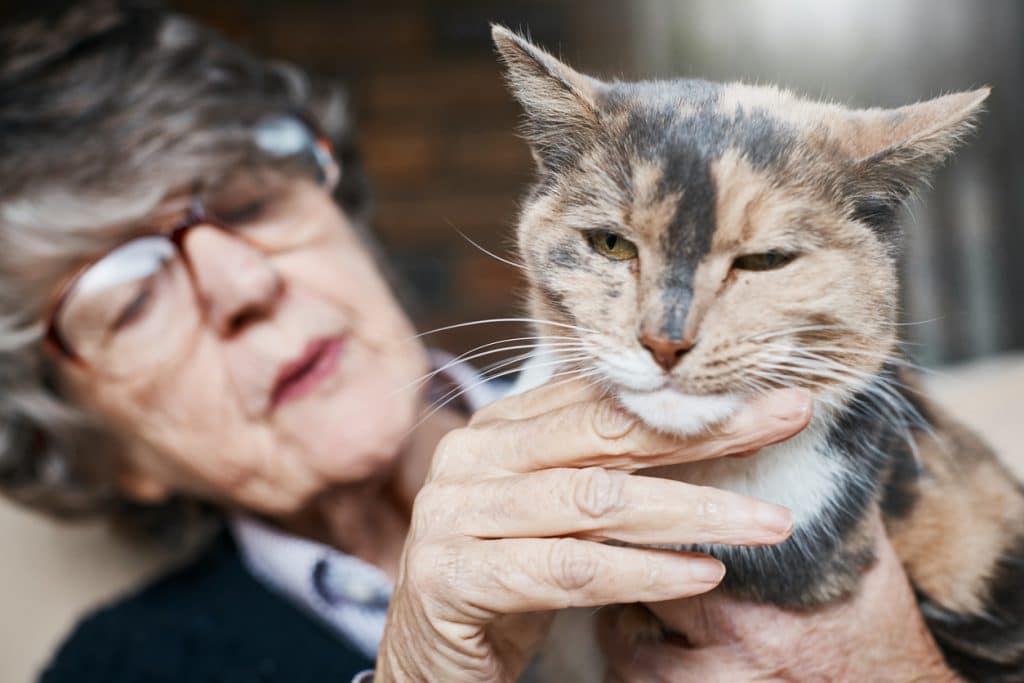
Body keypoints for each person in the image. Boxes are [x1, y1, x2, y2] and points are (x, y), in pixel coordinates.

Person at [0, 2, 957, 681]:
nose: (244, 283)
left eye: (250, 199)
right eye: (128, 298)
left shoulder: (844, 433)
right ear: (101, 450)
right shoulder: (119, 667)